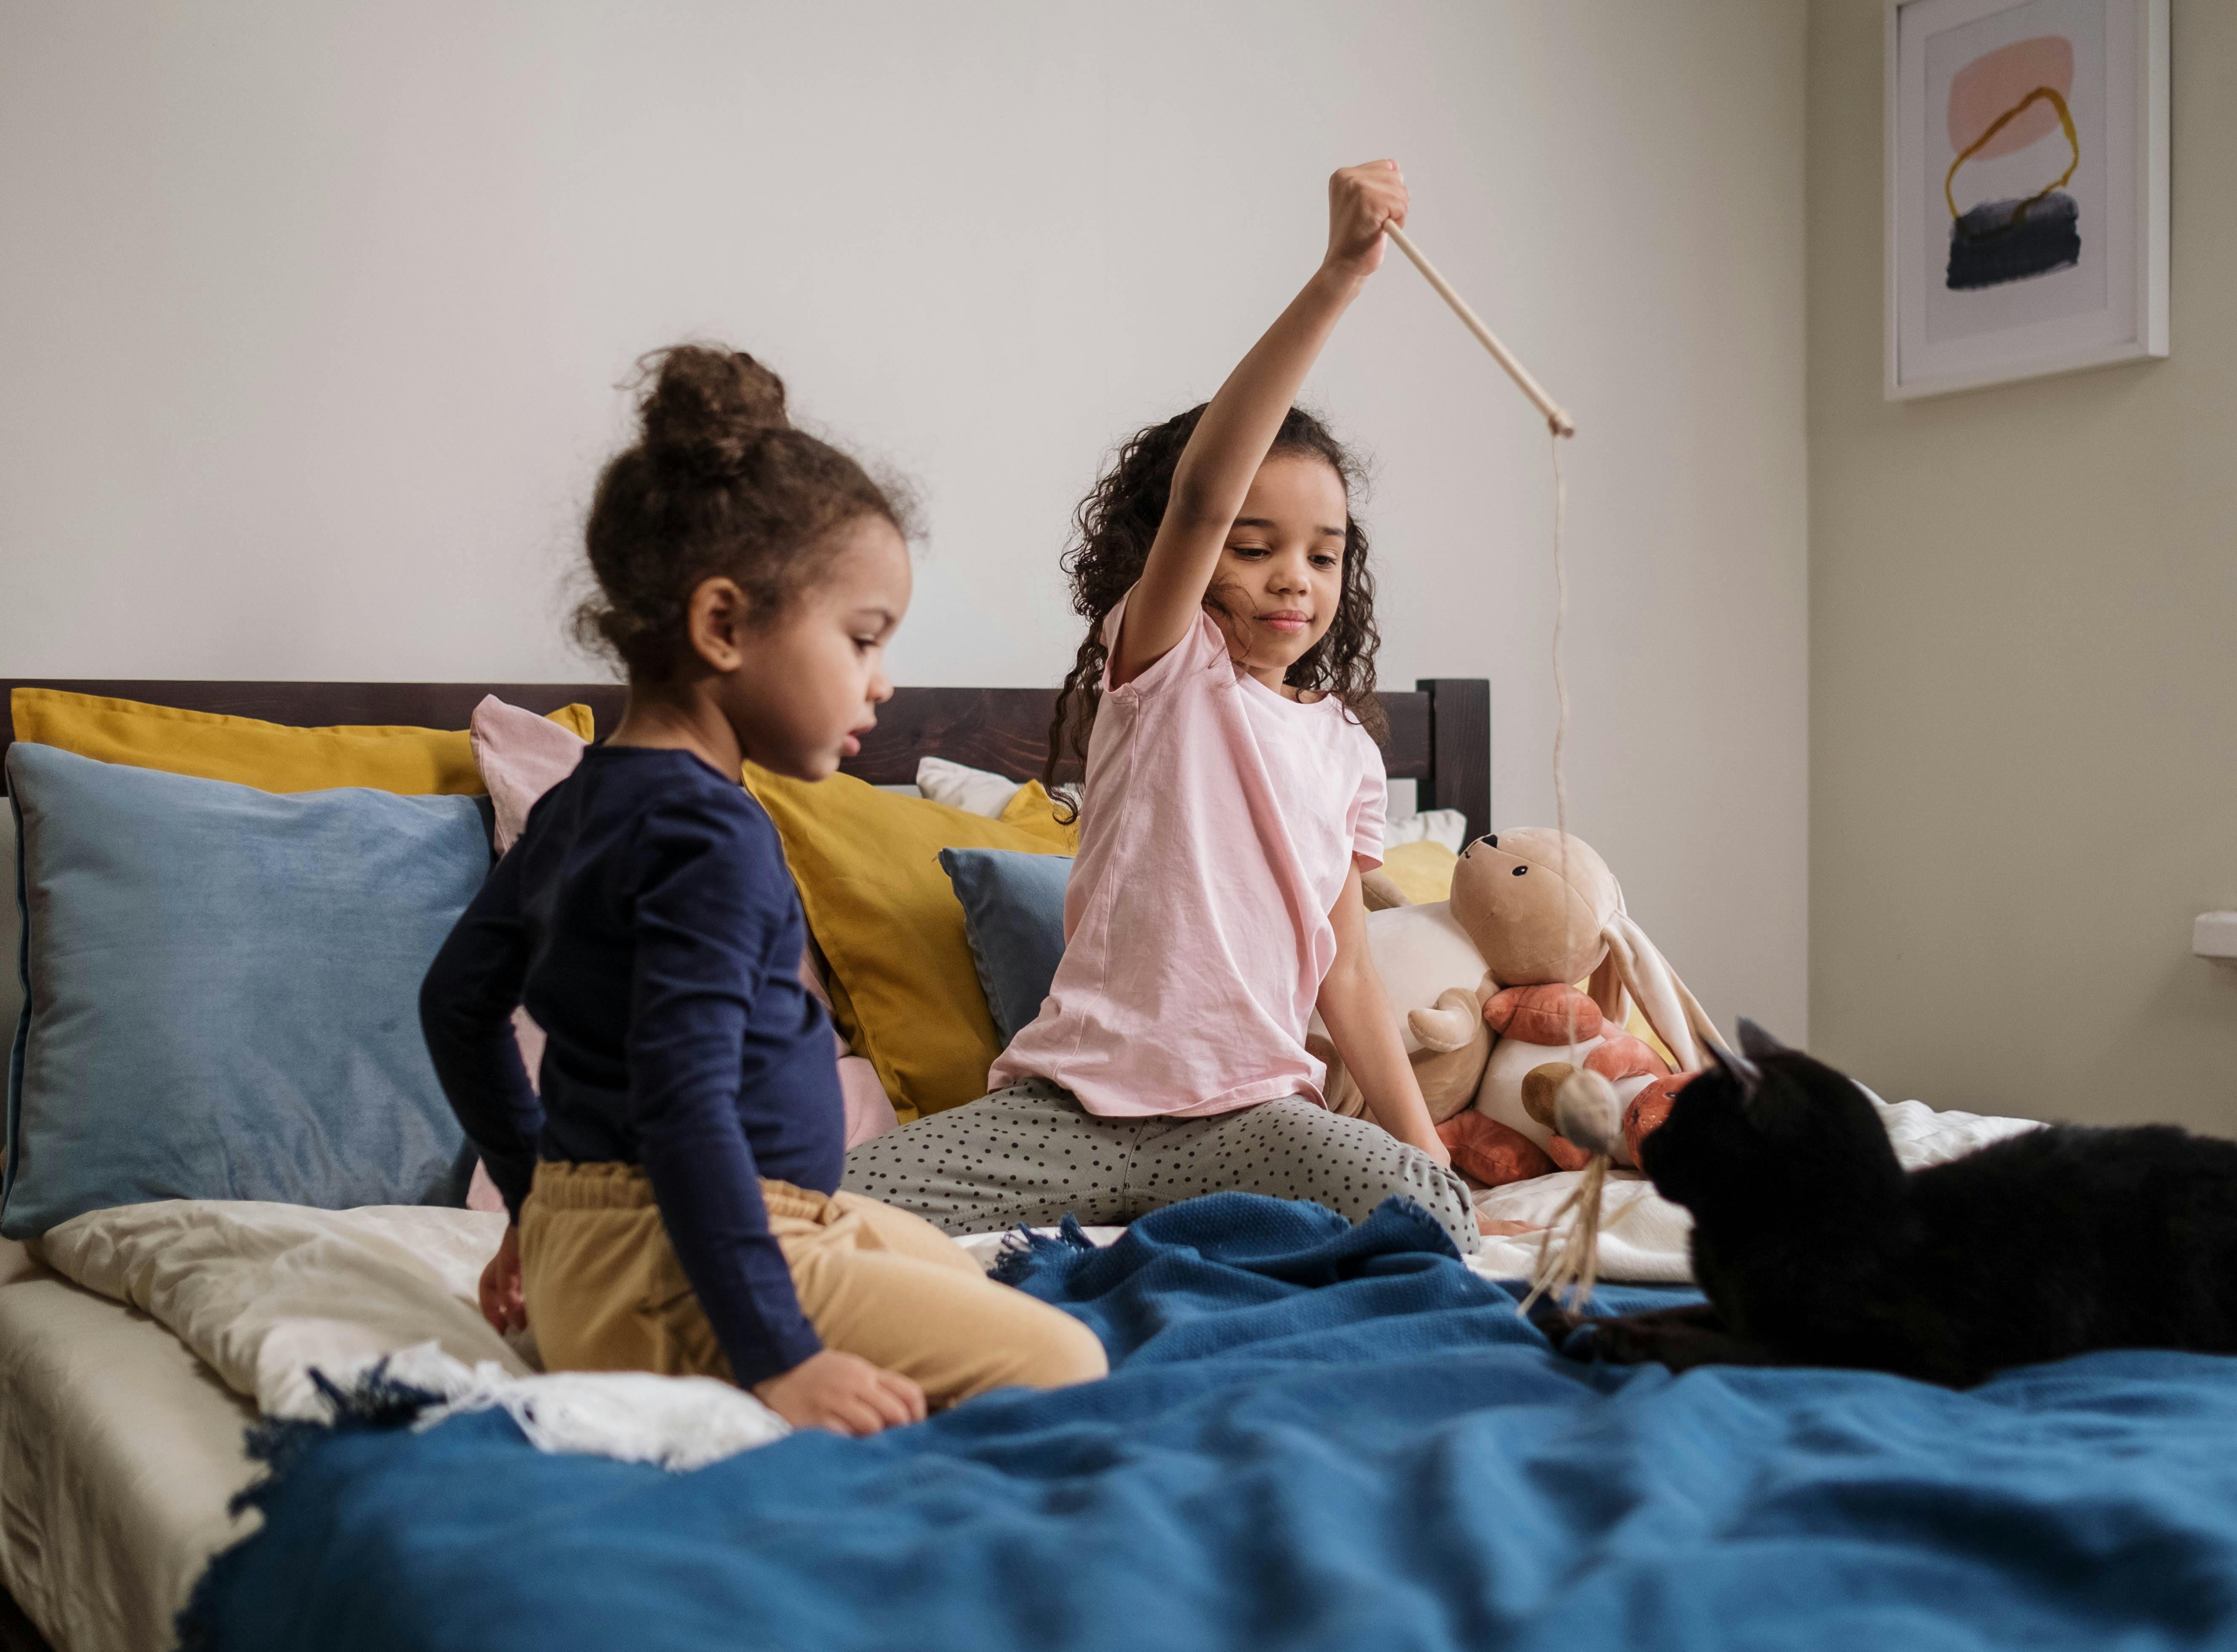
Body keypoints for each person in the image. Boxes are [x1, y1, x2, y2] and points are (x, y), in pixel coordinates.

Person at [419, 346, 1106, 1437]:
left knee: (954, 1268)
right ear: (725, 626)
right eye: (864, 638)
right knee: (1068, 1362)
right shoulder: (710, 836)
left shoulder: (585, 802)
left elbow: (454, 1004)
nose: (884, 681)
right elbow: (685, 1104)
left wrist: (535, 1201)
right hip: (678, 1267)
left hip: (612, 1248)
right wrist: (778, 1355)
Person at [844, 161, 1482, 1253]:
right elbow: (1199, 494)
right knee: (807, 1215)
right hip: (1073, 1116)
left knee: (1437, 1219)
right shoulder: (1165, 669)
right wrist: (1337, 279)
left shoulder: (1342, 751)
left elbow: (1350, 974)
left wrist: (1428, 1153)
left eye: (1323, 556)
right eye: (1257, 546)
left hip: (1251, 1119)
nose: (1294, 579)